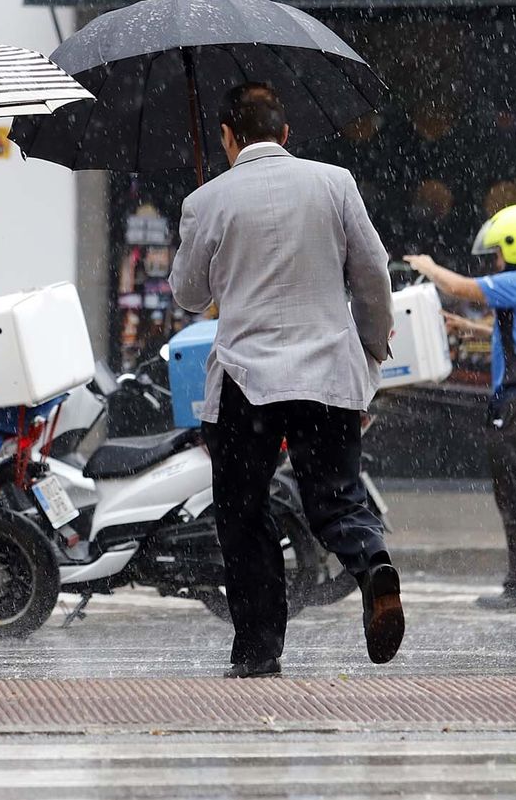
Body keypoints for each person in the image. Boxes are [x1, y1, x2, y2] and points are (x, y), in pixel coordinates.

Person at [169, 82, 403, 678]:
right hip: (327, 373)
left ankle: (258, 647)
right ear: (286, 134)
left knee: (244, 514)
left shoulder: (209, 200)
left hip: (247, 384)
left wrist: (198, 230)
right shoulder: (336, 183)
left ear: (227, 138)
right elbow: (373, 272)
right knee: (336, 497)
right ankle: (371, 561)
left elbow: (188, 295)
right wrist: (371, 353)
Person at [406, 204, 516, 612]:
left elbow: (464, 289)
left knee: (515, 500)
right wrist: (469, 327)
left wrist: (429, 266)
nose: (495, 260)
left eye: (498, 251)